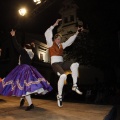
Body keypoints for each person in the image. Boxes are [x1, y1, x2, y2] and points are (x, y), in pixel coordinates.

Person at [0, 29, 53, 111]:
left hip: (23, 69)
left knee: (24, 87)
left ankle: (30, 104)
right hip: (29, 69)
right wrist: (33, 47)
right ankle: (22, 99)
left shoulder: (24, 52)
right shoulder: (31, 53)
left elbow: (17, 46)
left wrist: (13, 36)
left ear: (25, 47)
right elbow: (32, 54)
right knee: (24, 86)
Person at [45, 19, 83, 107]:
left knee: (75, 64)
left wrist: (77, 32)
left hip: (61, 63)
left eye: (60, 39)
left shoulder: (62, 45)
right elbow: (47, 33)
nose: (59, 40)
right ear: (54, 39)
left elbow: (70, 41)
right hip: (55, 64)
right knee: (63, 76)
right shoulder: (50, 44)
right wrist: (54, 25)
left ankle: (74, 85)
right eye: (57, 39)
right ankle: (59, 96)